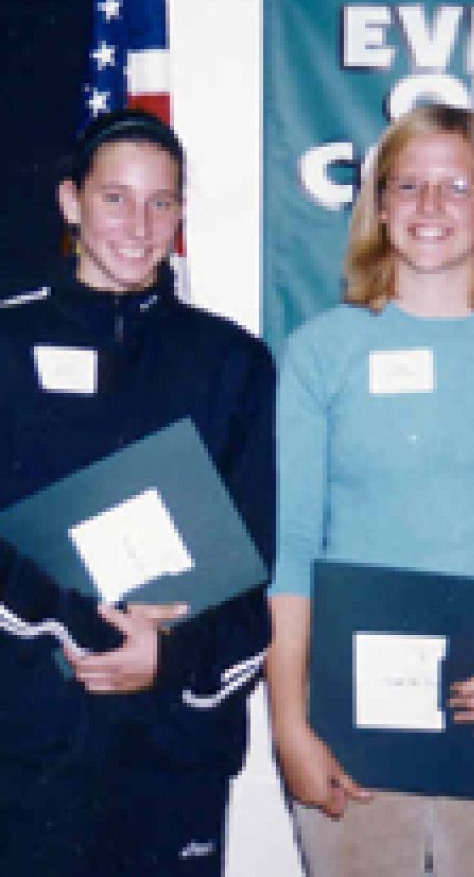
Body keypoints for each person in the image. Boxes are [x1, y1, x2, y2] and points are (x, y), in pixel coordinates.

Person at [267, 103, 474, 876]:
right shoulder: (322, 351)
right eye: (409, 185)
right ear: (378, 205)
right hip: (354, 710)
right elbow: (292, 548)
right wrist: (289, 723)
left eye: (457, 186)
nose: (430, 206)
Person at [0, 109, 274, 875]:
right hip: (27, 750)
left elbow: (255, 575)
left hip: (171, 755)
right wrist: (73, 626)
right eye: (115, 197)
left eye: (161, 202)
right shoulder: (7, 347)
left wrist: (173, 659)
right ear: (69, 202)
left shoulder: (232, 363)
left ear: (182, 212)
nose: (139, 223)